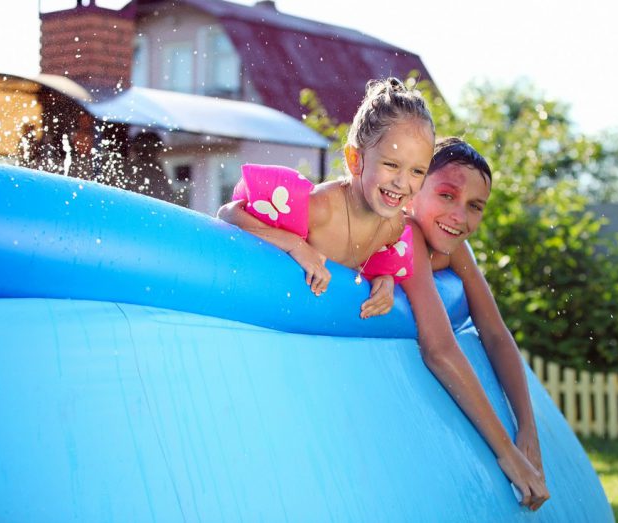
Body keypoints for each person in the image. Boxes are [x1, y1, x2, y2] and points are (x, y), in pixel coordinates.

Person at [403, 137, 549, 510]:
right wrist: (508, 454)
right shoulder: (407, 232)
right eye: (447, 195)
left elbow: (496, 334)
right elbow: (438, 349)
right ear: (415, 187)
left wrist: (527, 426)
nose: (460, 216)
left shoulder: (454, 247)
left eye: (474, 206)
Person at [218, 77, 434, 319]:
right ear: (356, 160)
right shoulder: (320, 209)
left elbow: (371, 264)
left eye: (417, 171)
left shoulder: (393, 226)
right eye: (391, 164)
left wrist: (385, 280)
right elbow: (227, 215)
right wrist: (295, 245)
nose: (403, 183)